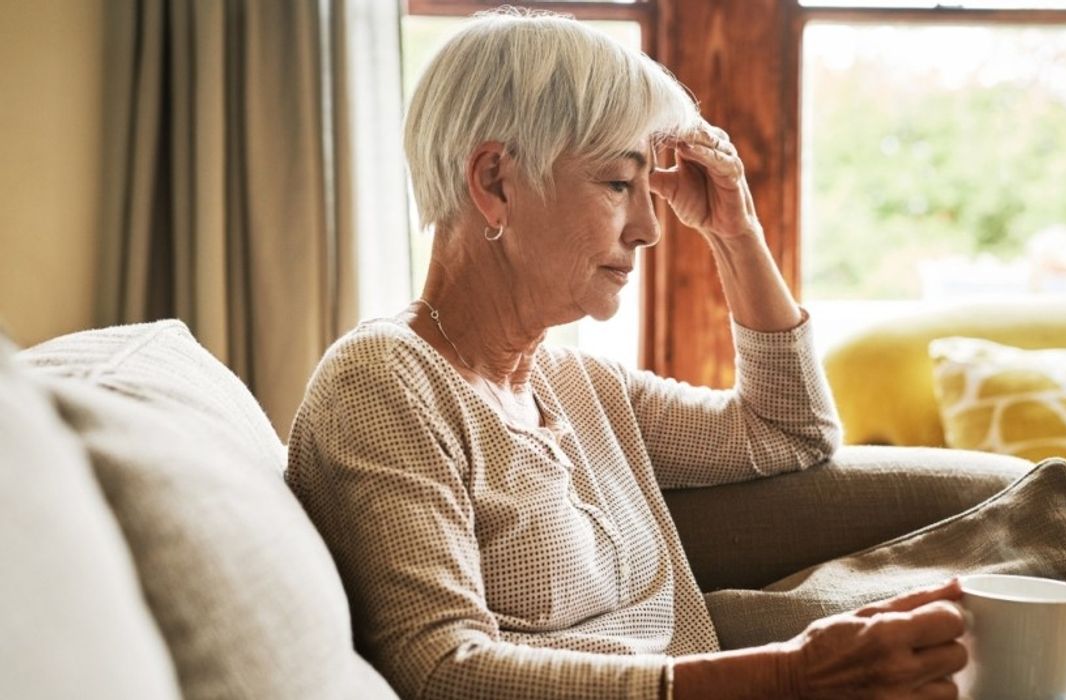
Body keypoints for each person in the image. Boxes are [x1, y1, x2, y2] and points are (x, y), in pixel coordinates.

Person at [286, 8, 966, 699]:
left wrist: (735, 233)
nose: (648, 228)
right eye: (617, 184)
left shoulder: (572, 382)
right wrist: (788, 676)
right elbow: (440, 671)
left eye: (650, 189)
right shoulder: (382, 383)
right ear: (494, 181)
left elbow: (789, 432)